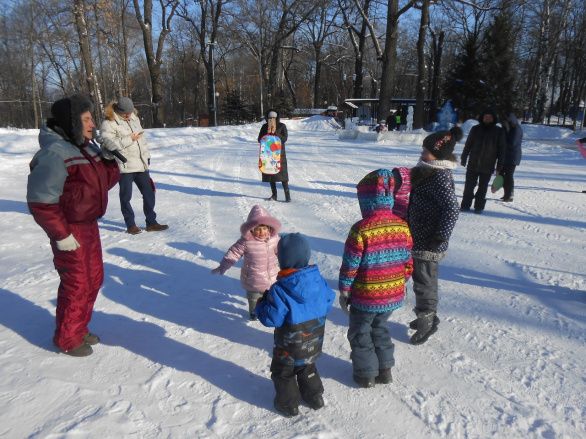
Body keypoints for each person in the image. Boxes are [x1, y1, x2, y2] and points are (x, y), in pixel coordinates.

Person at [26, 94, 120, 357]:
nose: (93, 124)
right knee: (77, 283)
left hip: (89, 226)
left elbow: (102, 184)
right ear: (72, 122)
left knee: (94, 279)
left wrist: (110, 160)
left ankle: (79, 327)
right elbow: (41, 202)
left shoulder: (86, 148)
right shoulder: (54, 153)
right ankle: (67, 338)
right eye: (87, 119)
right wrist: (61, 234)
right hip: (70, 229)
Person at [338, 169, 413, 388]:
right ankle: (385, 368)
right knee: (380, 328)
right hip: (392, 293)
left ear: (367, 200)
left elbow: (350, 265)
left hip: (366, 295)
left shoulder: (361, 229)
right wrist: (400, 281)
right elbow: (408, 261)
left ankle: (366, 374)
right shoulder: (402, 226)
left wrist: (344, 290)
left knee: (361, 332)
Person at [255, 233, 335, 417]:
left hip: (288, 348)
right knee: (307, 365)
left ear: (283, 260)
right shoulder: (318, 280)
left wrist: (261, 305)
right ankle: (315, 396)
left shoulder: (280, 289)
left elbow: (271, 319)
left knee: (283, 372)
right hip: (313, 342)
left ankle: (288, 404)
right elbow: (329, 299)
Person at [408, 127, 462, 345]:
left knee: (424, 282)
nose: (422, 152)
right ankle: (427, 313)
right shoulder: (429, 170)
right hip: (420, 235)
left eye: (427, 150)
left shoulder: (439, 176)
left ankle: (427, 320)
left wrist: (440, 236)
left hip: (429, 241)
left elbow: (452, 208)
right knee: (420, 278)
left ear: (438, 154)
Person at [99, 96, 168, 234]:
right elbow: (109, 146)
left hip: (140, 164)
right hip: (124, 166)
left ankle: (151, 223)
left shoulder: (134, 118)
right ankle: (130, 225)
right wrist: (129, 138)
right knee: (126, 197)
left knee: (149, 193)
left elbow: (142, 140)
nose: (128, 115)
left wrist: (146, 156)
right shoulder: (109, 123)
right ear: (119, 111)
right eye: (126, 113)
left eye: (130, 112)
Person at [211, 205, 281, 320]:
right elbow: (234, 253)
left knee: (270, 298)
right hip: (253, 279)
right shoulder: (246, 242)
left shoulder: (275, 240)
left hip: (272, 278)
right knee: (254, 299)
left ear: (269, 227)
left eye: (264, 228)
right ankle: (254, 314)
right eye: (257, 229)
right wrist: (224, 265)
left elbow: (283, 253)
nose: (261, 232)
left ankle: (268, 312)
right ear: (251, 229)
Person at [460, 109, 506, 213]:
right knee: (469, 186)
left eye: (490, 117)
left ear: (493, 119)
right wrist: (464, 157)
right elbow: (468, 144)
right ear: (482, 117)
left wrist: (499, 166)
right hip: (473, 163)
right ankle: (465, 205)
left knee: (483, 187)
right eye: (486, 117)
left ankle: (479, 207)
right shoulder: (475, 129)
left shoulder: (499, 131)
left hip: (488, 165)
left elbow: (502, 150)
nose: (487, 119)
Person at [258, 110, 290, 202]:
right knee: (271, 174)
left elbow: (284, 139)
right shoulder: (264, 126)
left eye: (274, 118)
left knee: (283, 176)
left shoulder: (282, 126)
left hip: (279, 154)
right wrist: (267, 133)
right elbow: (259, 139)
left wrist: (276, 133)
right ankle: (274, 195)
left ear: (277, 118)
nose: (272, 119)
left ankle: (287, 196)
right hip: (268, 154)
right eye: (270, 118)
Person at [500, 113, 523, 202]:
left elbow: (512, 143)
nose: (504, 124)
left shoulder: (516, 129)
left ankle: (509, 194)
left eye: (506, 122)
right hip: (506, 156)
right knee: (502, 175)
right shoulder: (509, 128)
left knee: (509, 176)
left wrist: (504, 135)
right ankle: (506, 193)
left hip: (513, 156)